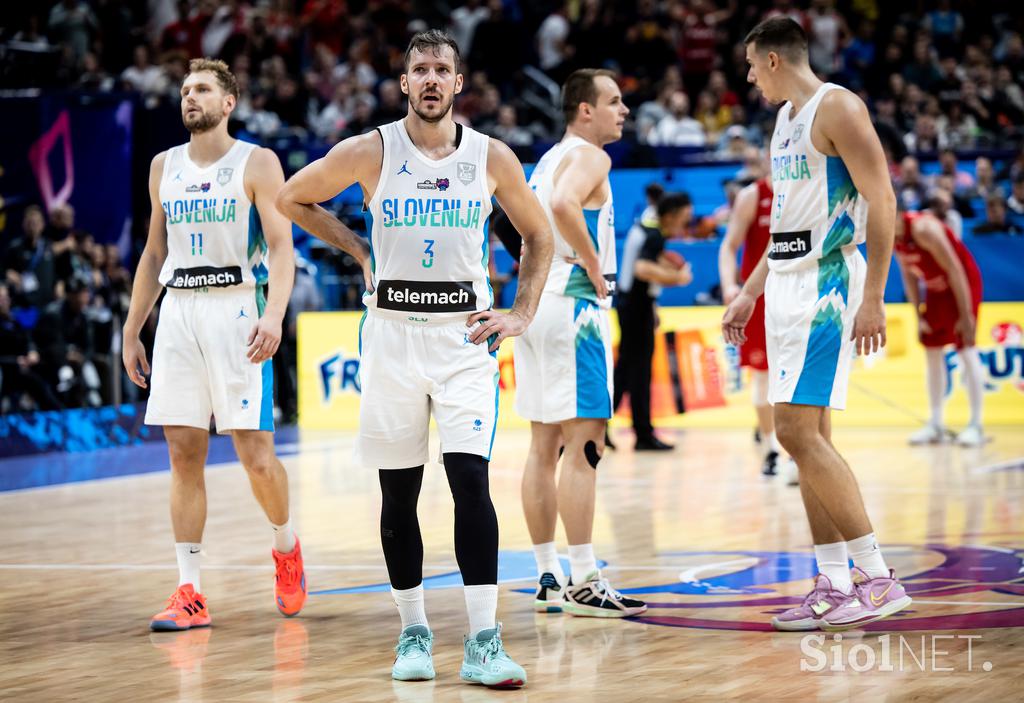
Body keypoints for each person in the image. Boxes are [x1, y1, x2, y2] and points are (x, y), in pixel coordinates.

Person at [275, 30, 552, 688]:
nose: (431, 79)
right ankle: (414, 629)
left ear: (459, 84)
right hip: (393, 335)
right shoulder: (371, 151)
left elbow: (539, 234)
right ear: (403, 83)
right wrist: (357, 249)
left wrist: (522, 313)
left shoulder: (491, 158)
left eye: (442, 70)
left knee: (469, 485)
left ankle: (484, 639)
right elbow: (291, 197)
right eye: (420, 69)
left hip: (463, 339)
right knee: (398, 493)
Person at [722, 18, 912, 632]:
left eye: (752, 66)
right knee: (811, 439)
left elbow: (882, 200)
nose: (749, 77)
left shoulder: (839, 107)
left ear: (774, 60)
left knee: (795, 431)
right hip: (786, 282)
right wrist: (751, 290)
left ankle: (877, 577)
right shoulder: (784, 122)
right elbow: (785, 226)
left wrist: (876, 296)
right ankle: (832, 584)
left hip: (829, 284)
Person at [121, 58, 306, 632]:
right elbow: (154, 253)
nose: (189, 97)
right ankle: (190, 592)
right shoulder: (163, 166)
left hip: (238, 309)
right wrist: (133, 327)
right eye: (184, 90)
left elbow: (280, 248)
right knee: (183, 454)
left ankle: (286, 545)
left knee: (255, 457)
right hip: (179, 310)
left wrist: (274, 315)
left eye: (201, 89)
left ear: (229, 103)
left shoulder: (257, 162)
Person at [513, 68, 647, 618]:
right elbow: (567, 207)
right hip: (573, 305)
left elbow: (526, 221)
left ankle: (547, 574)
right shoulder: (592, 157)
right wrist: (595, 265)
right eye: (615, 101)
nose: (625, 111)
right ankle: (586, 578)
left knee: (542, 446)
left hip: (536, 304)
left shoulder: (548, 159)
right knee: (586, 444)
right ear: (584, 110)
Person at [718, 161, 792, 478]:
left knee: (792, 378)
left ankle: (798, 449)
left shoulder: (803, 189)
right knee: (761, 376)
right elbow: (729, 245)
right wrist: (729, 286)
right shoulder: (754, 195)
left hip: (795, 294)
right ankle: (772, 448)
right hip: (758, 297)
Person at [894, 208, 985, 446]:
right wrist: (918, 314)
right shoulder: (893, 236)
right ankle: (936, 424)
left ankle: (976, 425)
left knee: (966, 348)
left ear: (894, 213)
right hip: (934, 290)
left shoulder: (924, 228)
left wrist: (966, 316)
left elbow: (956, 269)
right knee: (931, 351)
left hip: (962, 284)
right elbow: (909, 277)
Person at [614, 193, 694, 451]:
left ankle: (613, 428)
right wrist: (677, 279)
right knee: (636, 372)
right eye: (684, 220)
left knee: (628, 370)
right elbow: (642, 269)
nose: (684, 226)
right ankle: (641, 434)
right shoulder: (655, 234)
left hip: (633, 305)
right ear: (670, 215)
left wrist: (653, 303)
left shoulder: (646, 226)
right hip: (635, 309)